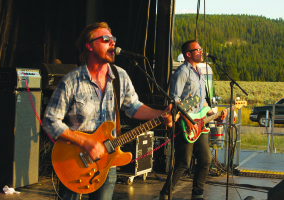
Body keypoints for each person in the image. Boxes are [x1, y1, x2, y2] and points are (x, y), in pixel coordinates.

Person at [42, 22, 176, 200]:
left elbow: (133, 107)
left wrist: (160, 115)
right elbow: (50, 120)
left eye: (113, 39)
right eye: (106, 39)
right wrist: (85, 142)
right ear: (89, 45)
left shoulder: (120, 76)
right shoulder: (71, 81)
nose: (112, 43)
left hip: (108, 162)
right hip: (74, 160)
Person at [159, 40, 227, 200]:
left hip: (200, 123)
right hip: (184, 124)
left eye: (201, 49)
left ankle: (198, 195)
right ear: (188, 54)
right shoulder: (182, 72)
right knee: (183, 162)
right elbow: (174, 101)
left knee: (205, 160)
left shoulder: (199, 73)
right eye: (198, 50)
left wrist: (213, 113)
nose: (201, 52)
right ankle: (165, 194)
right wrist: (189, 121)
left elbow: (201, 101)